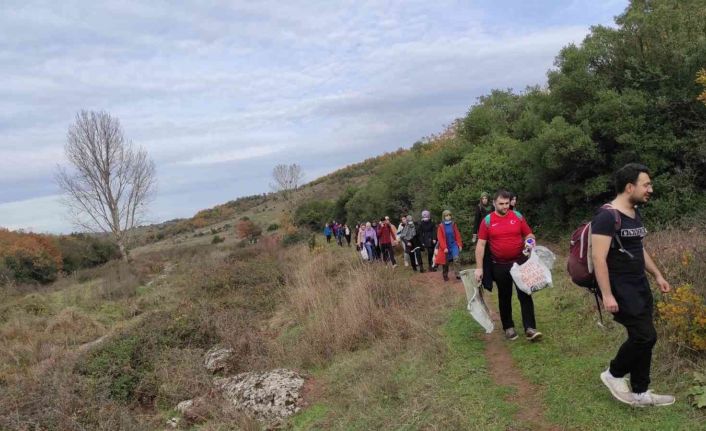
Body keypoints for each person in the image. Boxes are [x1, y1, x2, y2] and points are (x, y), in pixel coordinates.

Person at [592, 163, 674, 407]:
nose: (651, 188)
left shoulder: (634, 213)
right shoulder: (606, 216)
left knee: (642, 335)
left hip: (639, 285)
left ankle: (640, 391)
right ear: (630, 187)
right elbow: (598, 258)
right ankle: (613, 373)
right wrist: (607, 294)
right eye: (646, 184)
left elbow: (639, 249)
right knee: (645, 337)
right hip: (621, 288)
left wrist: (657, 275)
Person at [475, 190, 541, 342]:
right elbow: (481, 245)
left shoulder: (517, 216)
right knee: (504, 296)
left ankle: (530, 328)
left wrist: (530, 243)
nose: (505, 207)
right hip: (499, 265)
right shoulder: (487, 221)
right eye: (501, 204)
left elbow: (529, 235)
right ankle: (508, 327)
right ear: (494, 203)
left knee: (525, 294)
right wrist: (479, 267)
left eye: (507, 203)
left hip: (520, 262)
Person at [435, 210, 463, 281]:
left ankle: (458, 274)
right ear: (444, 217)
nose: (448, 217)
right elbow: (440, 238)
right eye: (446, 216)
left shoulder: (453, 224)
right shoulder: (441, 226)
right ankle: (445, 275)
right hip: (445, 246)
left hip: (453, 245)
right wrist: (444, 247)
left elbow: (457, 235)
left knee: (456, 258)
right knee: (445, 262)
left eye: (449, 215)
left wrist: (459, 244)